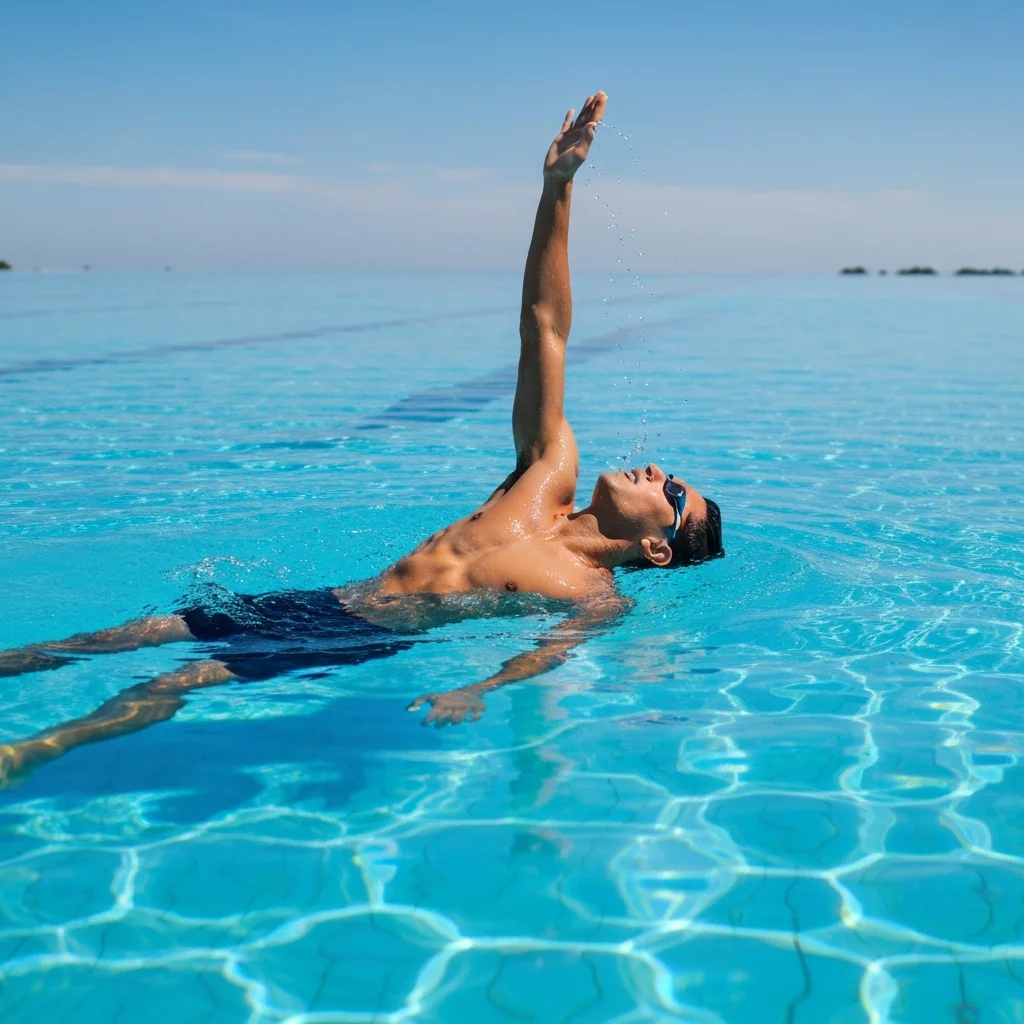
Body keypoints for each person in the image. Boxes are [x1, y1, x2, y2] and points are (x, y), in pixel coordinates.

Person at [0, 92, 722, 782]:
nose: (657, 468)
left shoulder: (594, 596)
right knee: (124, 635)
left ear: (658, 548)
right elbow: (546, 327)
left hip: (359, 637)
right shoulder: (544, 475)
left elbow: (550, 657)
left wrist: (478, 690)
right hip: (328, 601)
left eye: (674, 489)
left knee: (181, 680)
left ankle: (26, 755)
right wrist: (557, 188)